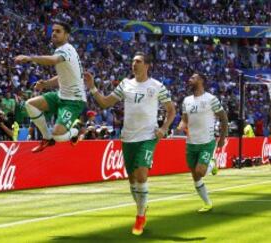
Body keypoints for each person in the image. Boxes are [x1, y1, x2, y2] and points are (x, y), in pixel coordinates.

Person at [84, 52, 176, 235]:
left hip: (148, 137)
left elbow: (171, 110)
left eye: (138, 61)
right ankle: (142, 207)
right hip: (128, 138)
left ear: (147, 65)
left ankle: (140, 217)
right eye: (133, 61)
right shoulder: (125, 84)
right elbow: (104, 103)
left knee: (141, 175)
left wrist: (164, 128)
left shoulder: (157, 86)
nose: (134, 64)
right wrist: (93, 88)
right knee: (133, 180)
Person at [14, 20, 86, 152]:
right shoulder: (62, 50)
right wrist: (46, 84)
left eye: (58, 31)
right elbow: (62, 77)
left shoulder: (67, 50)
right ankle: (47, 138)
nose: (54, 33)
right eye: (53, 31)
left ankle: (76, 129)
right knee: (30, 104)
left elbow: (53, 60)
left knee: (58, 136)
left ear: (67, 35)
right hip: (61, 95)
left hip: (74, 100)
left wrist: (30, 58)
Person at [177, 72, 228, 213]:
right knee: (196, 175)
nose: (189, 79)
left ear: (201, 81)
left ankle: (212, 163)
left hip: (207, 142)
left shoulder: (211, 99)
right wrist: (180, 126)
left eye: (192, 78)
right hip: (191, 143)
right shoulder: (186, 100)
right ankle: (207, 203)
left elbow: (224, 119)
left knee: (201, 171)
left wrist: (222, 138)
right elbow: (185, 119)